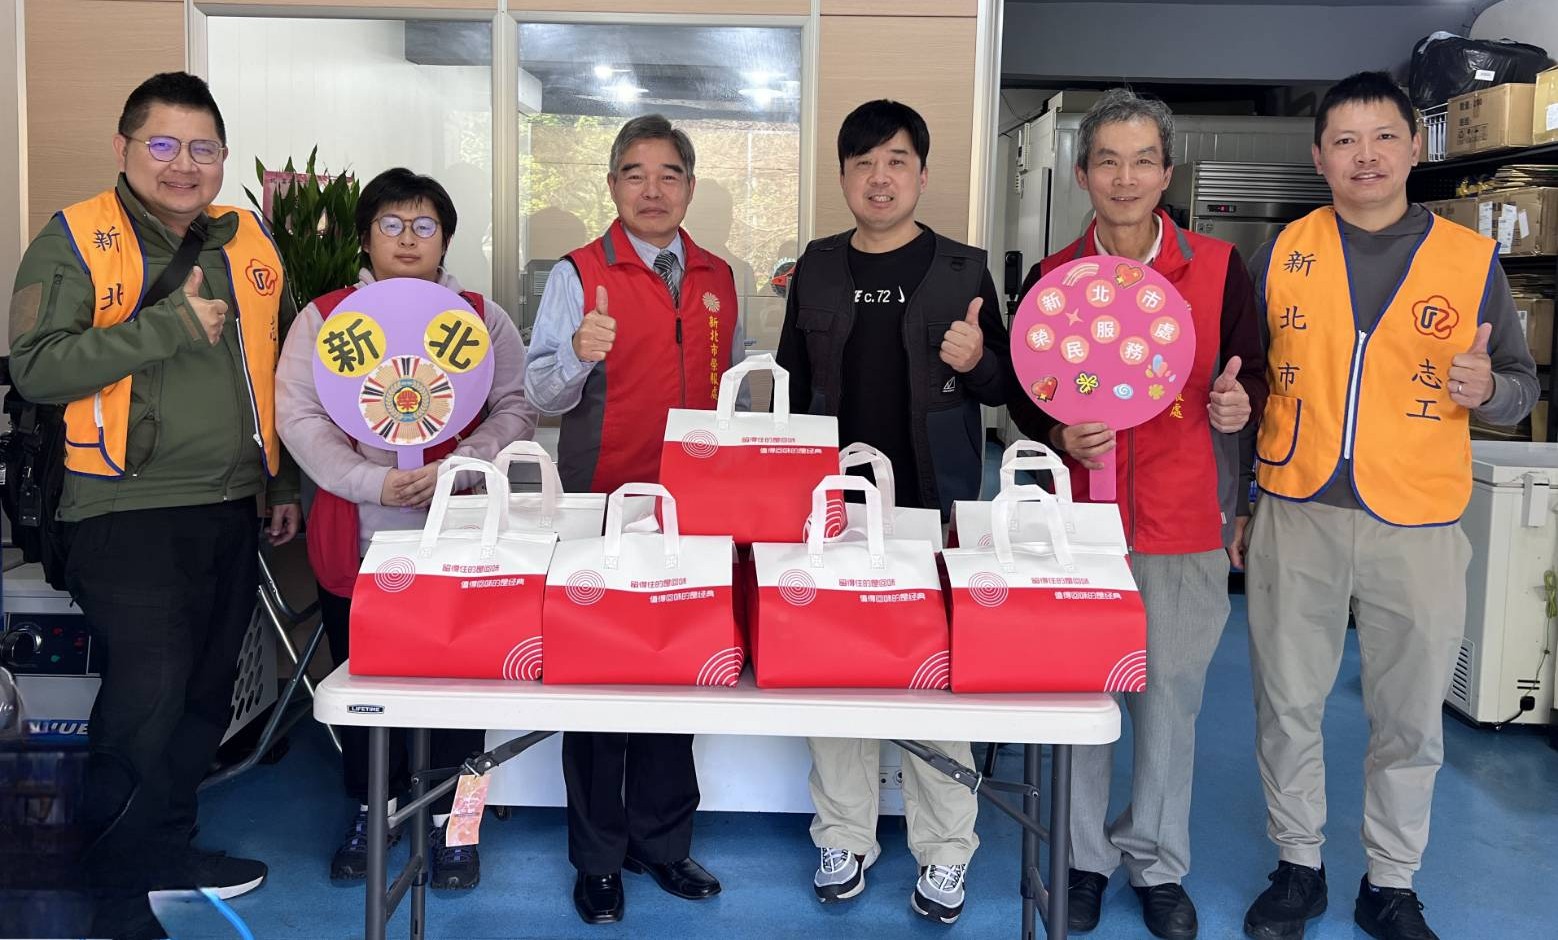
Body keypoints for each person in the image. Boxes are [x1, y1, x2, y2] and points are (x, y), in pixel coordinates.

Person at [1240, 71, 1537, 940]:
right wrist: (1236, 498)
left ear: (1414, 147)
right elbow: (1245, 381)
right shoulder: (1284, 252)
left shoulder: (1469, 260)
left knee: (1408, 716)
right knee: (1286, 701)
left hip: (1419, 518)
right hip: (1297, 506)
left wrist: (1490, 390)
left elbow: (1520, 383)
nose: (1364, 156)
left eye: (1382, 138)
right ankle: (1298, 865)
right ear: (1319, 157)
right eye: (1344, 140)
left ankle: (1391, 881)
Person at [7, 71, 300, 940]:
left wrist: (280, 481)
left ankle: (166, 850)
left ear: (223, 157)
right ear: (124, 147)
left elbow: (278, 368)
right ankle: (111, 902)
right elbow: (36, 367)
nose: (183, 165)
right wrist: (166, 327)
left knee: (204, 699)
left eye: (202, 148)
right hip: (123, 511)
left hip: (232, 504)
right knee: (145, 706)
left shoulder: (246, 238)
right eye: (163, 144)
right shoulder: (76, 237)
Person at [1017, 88, 1267, 940]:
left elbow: (1252, 373)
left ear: (1166, 172)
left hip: (1184, 522)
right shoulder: (1053, 279)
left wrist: (1239, 404)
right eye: (1108, 162)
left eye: (1143, 161)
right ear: (1082, 174)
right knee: (1083, 698)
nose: (1125, 178)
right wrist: (1059, 432)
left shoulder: (1220, 268)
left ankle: (1157, 862)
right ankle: (1083, 860)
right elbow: (1028, 398)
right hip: (1078, 533)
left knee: (1170, 702)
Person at [774, 99, 1018, 925]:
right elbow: (788, 387)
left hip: (932, 506)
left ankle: (946, 848)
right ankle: (842, 834)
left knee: (937, 682)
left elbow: (1007, 388)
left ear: (922, 173)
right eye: (864, 163)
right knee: (834, 674)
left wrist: (978, 361)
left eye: (897, 161)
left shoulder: (962, 269)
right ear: (843, 176)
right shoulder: (814, 267)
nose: (880, 178)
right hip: (831, 509)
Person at [274, 167, 538, 891]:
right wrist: (373, 481)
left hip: (463, 539)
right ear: (365, 238)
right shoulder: (325, 318)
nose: (408, 239)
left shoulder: (481, 318)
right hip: (358, 541)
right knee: (366, 691)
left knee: (465, 694)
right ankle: (372, 809)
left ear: (445, 239)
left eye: (425, 225)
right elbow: (297, 416)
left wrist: (463, 465)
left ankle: (460, 825)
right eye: (391, 225)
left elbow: (517, 407)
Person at [524, 114, 742, 925]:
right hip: (603, 501)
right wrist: (579, 352)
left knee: (677, 676)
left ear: (690, 185)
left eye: (668, 174)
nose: (653, 190)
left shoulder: (719, 275)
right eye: (635, 174)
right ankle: (597, 859)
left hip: (694, 510)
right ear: (612, 185)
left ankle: (663, 843)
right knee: (597, 685)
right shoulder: (579, 273)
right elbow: (539, 394)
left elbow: (733, 394)